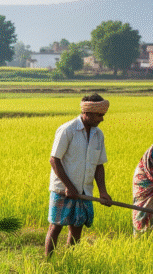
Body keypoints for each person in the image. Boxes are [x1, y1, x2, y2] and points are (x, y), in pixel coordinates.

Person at [44, 94, 113, 258]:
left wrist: (103, 191)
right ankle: (48, 262)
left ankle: (70, 260)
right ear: (87, 112)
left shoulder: (98, 135)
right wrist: (69, 186)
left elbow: (99, 165)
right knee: (55, 227)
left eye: (103, 115)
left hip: (84, 191)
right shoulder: (67, 130)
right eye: (99, 115)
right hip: (63, 189)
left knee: (77, 227)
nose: (101, 119)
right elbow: (54, 160)